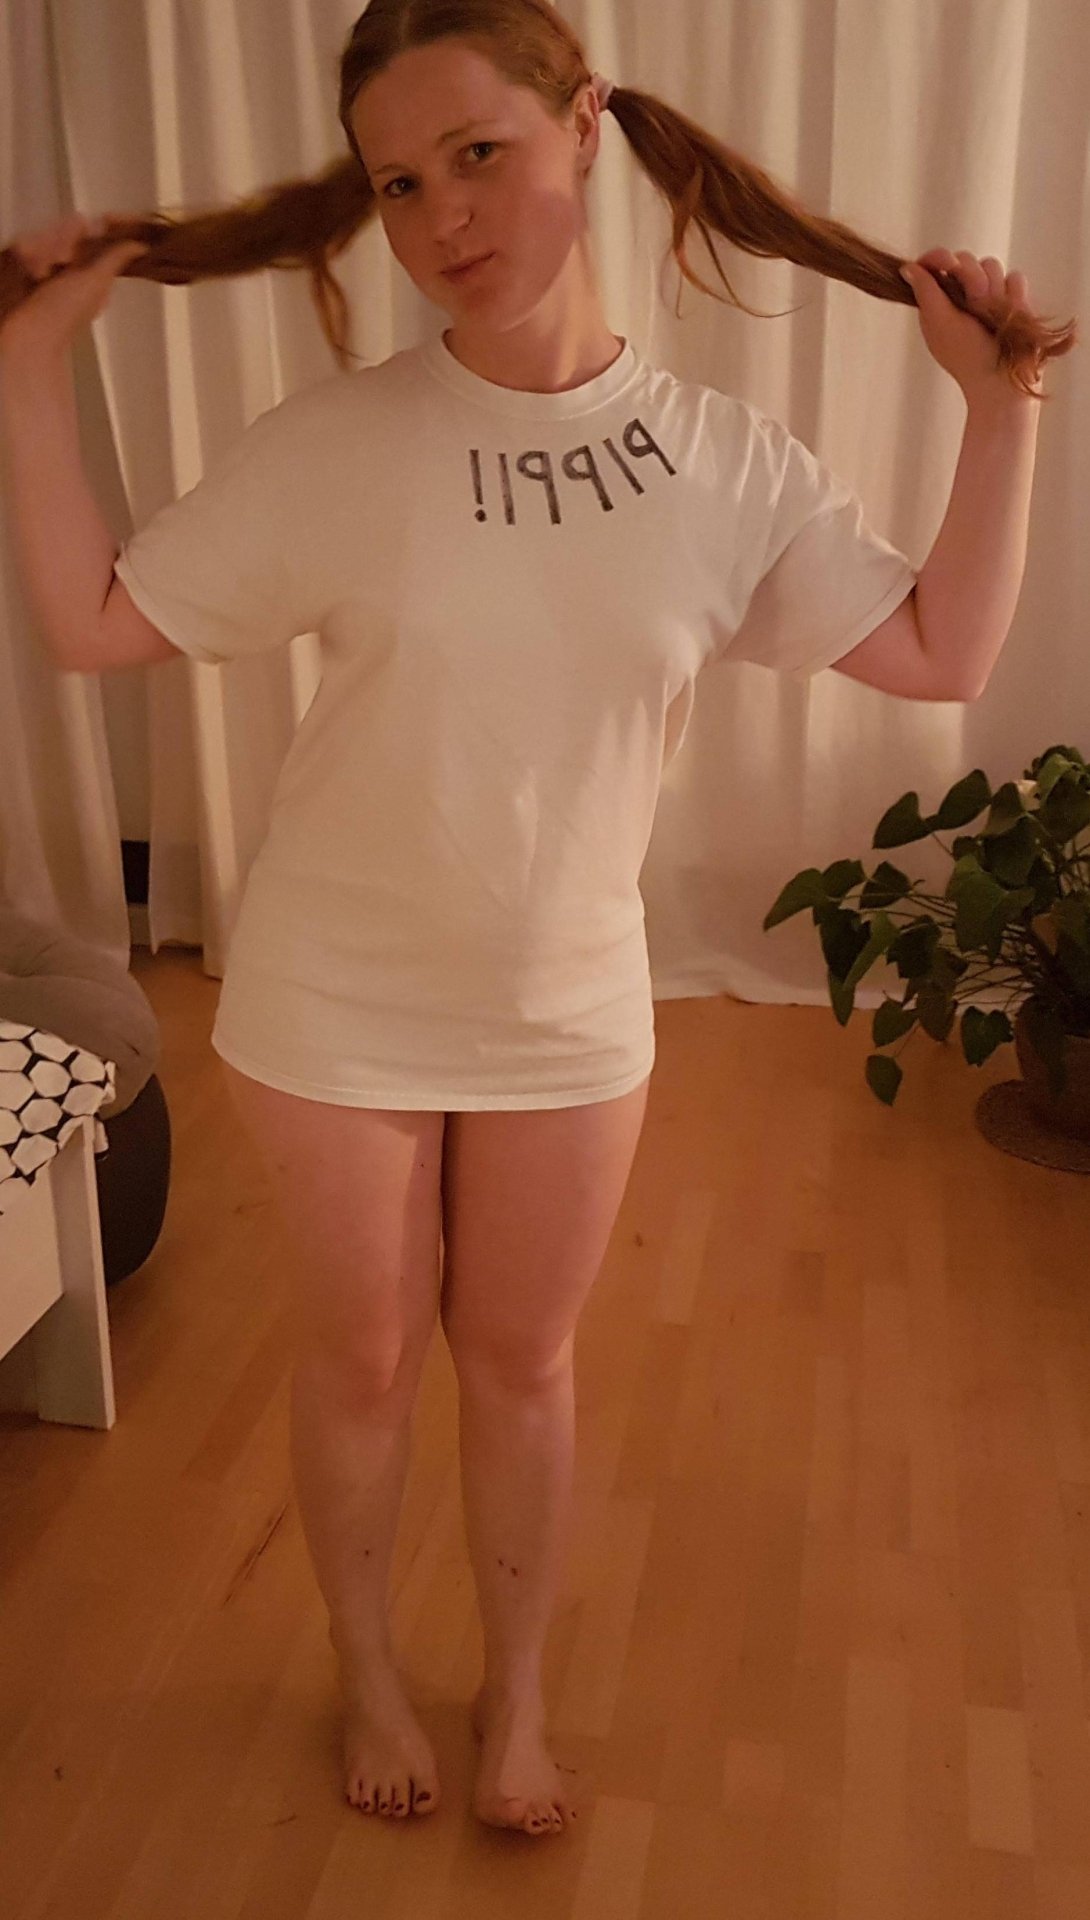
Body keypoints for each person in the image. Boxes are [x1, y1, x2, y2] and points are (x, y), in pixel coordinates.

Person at [0, 0, 1063, 1848]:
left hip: (566, 1001)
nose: (440, 218)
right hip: (331, 994)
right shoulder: (339, 444)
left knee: (523, 1363)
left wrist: (999, 411)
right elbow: (97, 625)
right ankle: (369, 1672)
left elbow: (939, 652)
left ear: (584, 128)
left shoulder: (722, 463)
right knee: (357, 1364)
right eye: (397, 185)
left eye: (476, 154)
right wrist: (25, 368)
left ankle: (520, 1697)